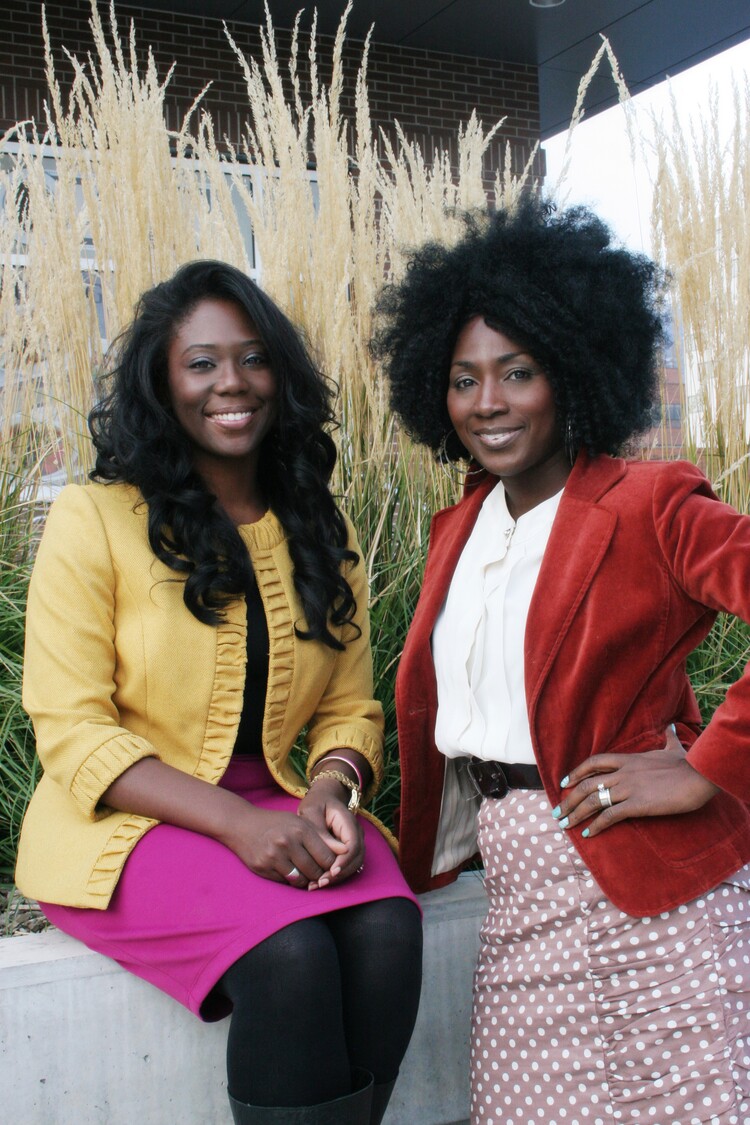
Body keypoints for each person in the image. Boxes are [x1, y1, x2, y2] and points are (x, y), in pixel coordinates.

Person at [15, 260, 422, 1125]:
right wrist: (238, 824)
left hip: (280, 801)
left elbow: (349, 706)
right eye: (201, 362)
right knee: (290, 953)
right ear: (162, 382)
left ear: (282, 374)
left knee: (389, 930)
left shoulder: (323, 525)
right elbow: (71, 725)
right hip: (125, 822)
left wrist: (330, 793)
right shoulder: (95, 519)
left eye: (252, 358)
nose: (230, 382)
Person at [372, 199, 750, 1124]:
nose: (488, 402)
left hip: (654, 899)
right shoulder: (459, 528)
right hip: (518, 901)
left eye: (518, 371)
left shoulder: (651, 501)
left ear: (572, 370)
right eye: (464, 379)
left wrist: (706, 767)